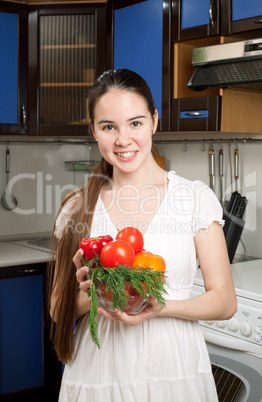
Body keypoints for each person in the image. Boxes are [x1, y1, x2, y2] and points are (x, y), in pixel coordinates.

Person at [49, 69, 237, 402]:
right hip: (100, 372)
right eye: (109, 127)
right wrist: (94, 293)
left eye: (135, 123)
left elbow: (224, 301)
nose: (123, 140)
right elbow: (58, 308)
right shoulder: (77, 206)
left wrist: (158, 307)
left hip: (175, 369)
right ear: (93, 131)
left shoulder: (193, 198)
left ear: (154, 120)